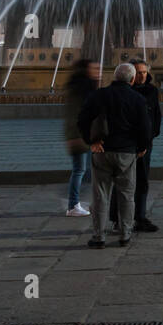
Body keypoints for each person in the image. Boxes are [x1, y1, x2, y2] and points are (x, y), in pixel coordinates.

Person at [77, 62, 153, 247]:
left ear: (115, 77)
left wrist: (91, 141)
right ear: (133, 79)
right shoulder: (137, 99)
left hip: (102, 151)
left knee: (100, 195)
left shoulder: (99, 95)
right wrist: (142, 146)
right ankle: (125, 234)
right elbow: (145, 126)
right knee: (127, 194)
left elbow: (82, 120)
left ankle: (98, 237)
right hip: (126, 152)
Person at [109, 59, 162, 233]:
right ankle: (118, 218)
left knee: (142, 181)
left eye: (144, 72)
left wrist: (150, 138)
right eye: (138, 72)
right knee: (122, 182)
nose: (141, 76)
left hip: (145, 144)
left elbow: (156, 116)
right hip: (126, 145)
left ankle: (140, 217)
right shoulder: (124, 92)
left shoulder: (152, 91)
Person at [63, 58, 99, 217]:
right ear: (85, 70)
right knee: (80, 170)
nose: (97, 71)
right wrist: (75, 136)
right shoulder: (79, 90)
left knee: (88, 170)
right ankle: (72, 205)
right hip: (79, 136)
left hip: (86, 136)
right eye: (94, 69)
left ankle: (77, 200)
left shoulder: (86, 87)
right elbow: (73, 116)